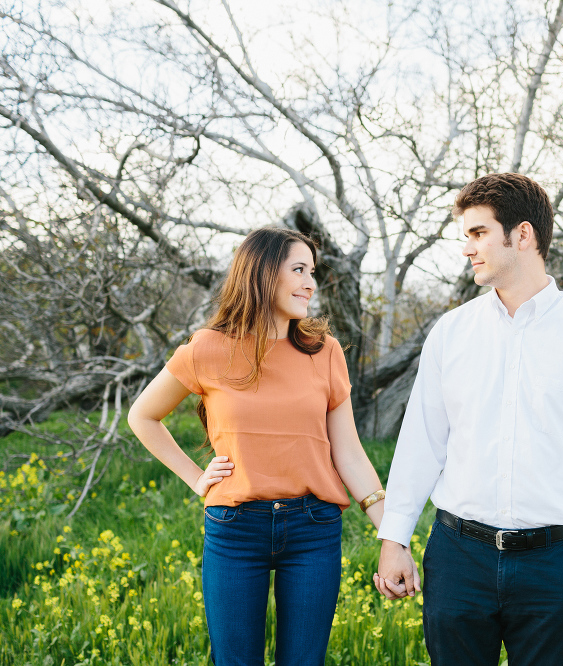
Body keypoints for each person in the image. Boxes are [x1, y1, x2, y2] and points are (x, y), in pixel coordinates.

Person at [373, 173, 563, 665]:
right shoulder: (451, 333)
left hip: (555, 564)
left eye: (478, 234)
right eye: (466, 236)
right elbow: (421, 444)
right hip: (457, 558)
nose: (468, 248)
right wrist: (394, 539)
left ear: (522, 235)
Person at [128, 227, 387, 666]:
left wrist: (391, 534)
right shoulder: (206, 348)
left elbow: (349, 452)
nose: (310, 283)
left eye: (313, 272)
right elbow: (142, 416)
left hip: (313, 528)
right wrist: (196, 478)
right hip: (234, 528)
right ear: (262, 273)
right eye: (299, 270)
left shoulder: (324, 352)